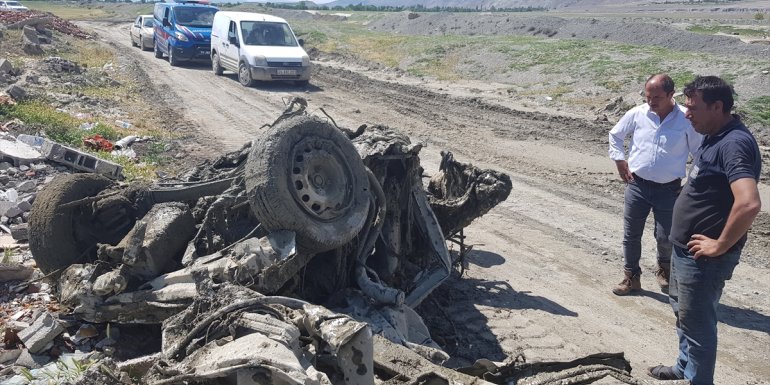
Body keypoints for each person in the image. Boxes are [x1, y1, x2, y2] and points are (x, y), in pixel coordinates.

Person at [647, 76, 761, 384]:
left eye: (693, 107)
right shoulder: (714, 133)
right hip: (685, 251)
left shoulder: (735, 143)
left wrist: (720, 244)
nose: (686, 114)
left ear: (717, 106)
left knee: (698, 326)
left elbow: (749, 203)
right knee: (684, 316)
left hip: (704, 259)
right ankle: (684, 368)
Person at [608, 74, 702, 296]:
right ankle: (631, 277)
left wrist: (690, 183)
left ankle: (665, 270)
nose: (651, 101)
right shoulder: (638, 114)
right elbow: (615, 135)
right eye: (648, 96)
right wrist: (620, 160)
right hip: (637, 186)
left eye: (657, 97)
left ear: (671, 94)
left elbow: (700, 153)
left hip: (669, 190)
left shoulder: (684, 119)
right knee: (631, 235)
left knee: (666, 237)